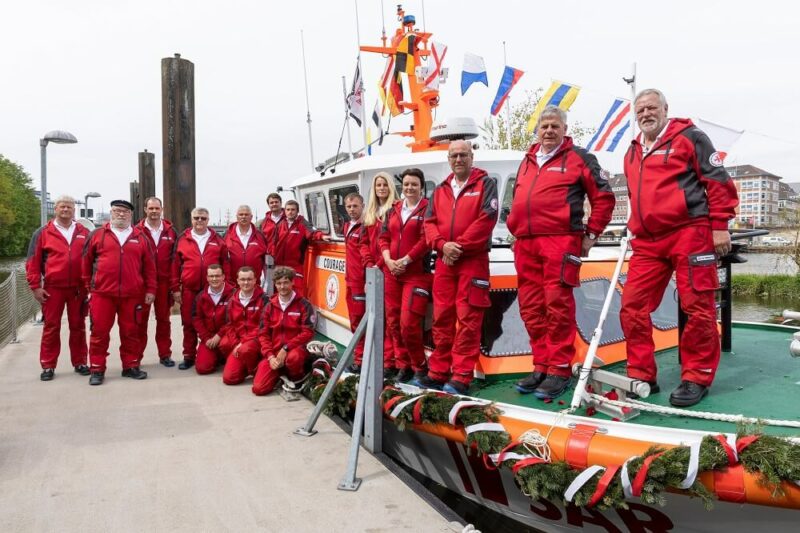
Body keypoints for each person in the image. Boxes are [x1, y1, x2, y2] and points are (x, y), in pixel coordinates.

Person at [620, 88, 739, 407]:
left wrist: (719, 226)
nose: (645, 113)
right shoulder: (631, 152)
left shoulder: (690, 137)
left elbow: (717, 181)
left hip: (689, 232)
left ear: (665, 109)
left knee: (697, 306)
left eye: (651, 107)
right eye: (640, 109)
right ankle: (642, 373)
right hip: (647, 242)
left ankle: (696, 376)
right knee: (632, 305)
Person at [506, 106, 615, 400]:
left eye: (555, 126)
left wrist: (591, 234)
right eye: (545, 127)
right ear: (537, 131)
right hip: (526, 243)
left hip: (560, 240)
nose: (549, 131)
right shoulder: (527, 160)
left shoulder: (580, 158)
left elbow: (604, 197)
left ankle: (559, 368)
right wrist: (515, 229)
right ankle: (541, 364)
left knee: (557, 306)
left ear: (565, 129)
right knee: (530, 308)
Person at [418, 140, 498, 395]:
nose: (459, 159)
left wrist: (457, 247)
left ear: (471, 157)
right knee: (442, 318)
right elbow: (429, 223)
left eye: (463, 154)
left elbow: (486, 219)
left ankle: (461, 375)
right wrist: (442, 246)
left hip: (472, 262)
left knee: (468, 319)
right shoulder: (440, 190)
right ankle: (438, 370)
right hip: (444, 262)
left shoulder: (486, 185)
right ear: (449, 159)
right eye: (454, 155)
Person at [82, 200, 156, 385]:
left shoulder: (140, 237)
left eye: (124, 212)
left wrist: (151, 289)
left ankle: (130, 365)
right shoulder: (98, 235)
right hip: (103, 294)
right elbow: (85, 264)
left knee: (131, 331)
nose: (121, 214)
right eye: (117, 211)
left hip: (132, 294)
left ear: (131, 215)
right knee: (99, 332)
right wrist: (88, 288)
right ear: (111, 213)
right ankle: (97, 369)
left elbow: (150, 268)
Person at [26, 195, 90, 380]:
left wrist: (89, 286)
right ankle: (48, 365)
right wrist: (35, 287)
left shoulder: (83, 232)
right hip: (53, 288)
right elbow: (32, 261)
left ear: (74, 210)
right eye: (62, 207)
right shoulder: (43, 233)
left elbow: (91, 259)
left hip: (78, 288)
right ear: (55, 209)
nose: (65, 210)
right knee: (51, 327)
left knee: (78, 327)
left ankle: (80, 362)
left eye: (69, 207)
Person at [379, 168, 433, 383]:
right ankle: (403, 365)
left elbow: (426, 239)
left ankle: (419, 365)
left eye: (414, 184)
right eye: (407, 184)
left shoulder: (428, 209)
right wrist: (389, 260)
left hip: (416, 274)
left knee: (408, 323)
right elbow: (383, 237)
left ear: (421, 187)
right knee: (392, 321)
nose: (409, 188)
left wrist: (406, 260)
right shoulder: (394, 209)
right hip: (392, 272)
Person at [171, 207, 228, 371]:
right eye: (197, 218)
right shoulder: (183, 238)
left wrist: (228, 286)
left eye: (203, 218)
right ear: (191, 219)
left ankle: (219, 353)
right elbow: (175, 264)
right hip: (190, 289)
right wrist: (175, 288)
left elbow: (226, 263)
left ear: (208, 220)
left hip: (212, 289)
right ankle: (189, 356)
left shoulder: (217, 239)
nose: (200, 221)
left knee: (216, 321)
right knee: (188, 323)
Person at [354, 171, 399, 374]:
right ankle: (382, 358)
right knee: (376, 317)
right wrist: (369, 264)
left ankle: (392, 361)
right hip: (373, 272)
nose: (381, 188)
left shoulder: (396, 210)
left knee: (391, 319)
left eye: (384, 185)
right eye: (378, 185)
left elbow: (391, 242)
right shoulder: (370, 214)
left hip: (387, 269)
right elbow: (362, 243)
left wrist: (379, 264)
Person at [253, 267, 316, 395]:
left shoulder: (304, 304)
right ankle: (279, 374)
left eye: (286, 282)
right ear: (275, 284)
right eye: (279, 283)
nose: (282, 287)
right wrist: (270, 356)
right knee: (258, 389)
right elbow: (263, 334)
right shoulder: (269, 306)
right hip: (274, 353)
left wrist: (286, 348)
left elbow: (307, 332)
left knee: (294, 358)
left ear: (293, 282)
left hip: (294, 350)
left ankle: (296, 377)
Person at [136, 196, 178, 367]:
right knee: (140, 321)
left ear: (162, 209)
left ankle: (165, 354)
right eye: (150, 208)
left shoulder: (171, 232)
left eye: (157, 208)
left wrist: (175, 285)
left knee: (164, 320)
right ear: (145, 209)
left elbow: (176, 260)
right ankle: (136, 356)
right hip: (143, 284)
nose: (154, 211)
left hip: (163, 283)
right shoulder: (136, 231)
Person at [268, 199, 330, 297]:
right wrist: (271, 254)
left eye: (293, 209)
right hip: (279, 265)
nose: (290, 212)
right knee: (279, 293)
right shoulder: (280, 224)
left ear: (297, 211)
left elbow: (312, 232)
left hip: (295, 266)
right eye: (288, 209)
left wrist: (321, 236)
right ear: (285, 211)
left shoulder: (302, 223)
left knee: (296, 294)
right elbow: (273, 242)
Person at [221, 267, 266, 386]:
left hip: (257, 339)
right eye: (243, 279)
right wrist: (236, 344)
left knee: (246, 349)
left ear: (255, 280)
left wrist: (243, 343)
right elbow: (229, 325)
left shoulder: (264, 299)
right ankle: (246, 367)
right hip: (240, 342)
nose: (246, 282)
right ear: (238, 281)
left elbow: (264, 326)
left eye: (249, 279)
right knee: (229, 378)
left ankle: (255, 369)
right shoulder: (232, 300)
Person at [342, 193, 368, 372]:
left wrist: (367, 279)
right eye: (349, 206)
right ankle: (360, 357)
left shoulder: (365, 227)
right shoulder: (346, 227)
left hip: (361, 282)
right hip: (350, 280)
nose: (352, 209)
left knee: (360, 322)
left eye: (355, 206)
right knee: (354, 321)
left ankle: (361, 360)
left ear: (362, 205)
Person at [192, 264, 235, 374]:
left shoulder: (234, 294)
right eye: (211, 276)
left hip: (228, 336)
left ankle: (224, 356)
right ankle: (216, 356)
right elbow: (197, 319)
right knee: (203, 368)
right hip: (209, 337)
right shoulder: (201, 296)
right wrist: (206, 338)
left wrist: (220, 335)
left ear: (223, 277)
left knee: (225, 345)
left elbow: (233, 320)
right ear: (207, 278)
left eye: (217, 276)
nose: (214, 279)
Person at [224, 205, 269, 285]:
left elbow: (265, 260)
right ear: (237, 217)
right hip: (232, 284)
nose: (243, 217)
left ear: (251, 217)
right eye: (241, 214)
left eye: (246, 214)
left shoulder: (260, 236)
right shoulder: (227, 235)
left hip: (254, 283)